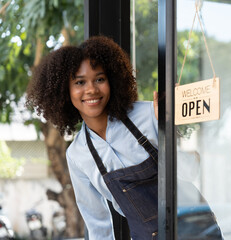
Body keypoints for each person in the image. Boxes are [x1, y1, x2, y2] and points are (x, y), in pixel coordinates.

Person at [26, 36, 159, 240]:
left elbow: (189, 169)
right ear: (65, 91)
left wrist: (168, 123)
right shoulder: (78, 154)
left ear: (112, 80)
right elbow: (97, 224)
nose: (91, 90)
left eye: (100, 79)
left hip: (194, 225)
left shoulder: (150, 114)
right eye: (80, 82)